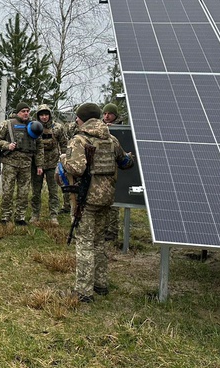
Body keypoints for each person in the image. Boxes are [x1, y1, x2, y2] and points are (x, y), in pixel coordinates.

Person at [63, 102, 134, 303]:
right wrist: (130, 157)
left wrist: (63, 160)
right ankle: (101, 284)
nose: (76, 120)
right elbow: (125, 162)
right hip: (106, 198)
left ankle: (84, 291)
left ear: (83, 119)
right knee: (99, 243)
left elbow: (76, 169)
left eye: (77, 117)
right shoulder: (111, 140)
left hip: (86, 199)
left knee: (84, 243)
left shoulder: (79, 140)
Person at [0, 102, 44, 225]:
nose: (26, 113)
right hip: (10, 163)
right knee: (8, 192)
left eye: (27, 111)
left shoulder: (34, 126)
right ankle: (5, 216)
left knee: (24, 192)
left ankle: (20, 217)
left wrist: (39, 165)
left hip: (26, 164)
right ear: (17, 112)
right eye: (23, 111)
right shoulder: (8, 124)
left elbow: (39, 146)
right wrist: (6, 145)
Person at [30, 104, 66, 224]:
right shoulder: (33, 127)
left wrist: (64, 161)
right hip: (37, 163)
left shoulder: (58, 128)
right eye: (41, 115)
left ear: (50, 115)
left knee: (53, 191)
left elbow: (64, 144)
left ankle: (53, 216)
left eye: (46, 115)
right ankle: (35, 214)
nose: (44, 117)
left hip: (53, 163)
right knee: (36, 191)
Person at [101, 102, 124, 241]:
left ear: (115, 115)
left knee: (114, 202)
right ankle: (103, 229)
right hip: (101, 168)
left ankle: (112, 231)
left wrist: (114, 129)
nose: (107, 116)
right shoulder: (99, 127)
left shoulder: (122, 129)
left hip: (115, 169)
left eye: (109, 114)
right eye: (104, 114)